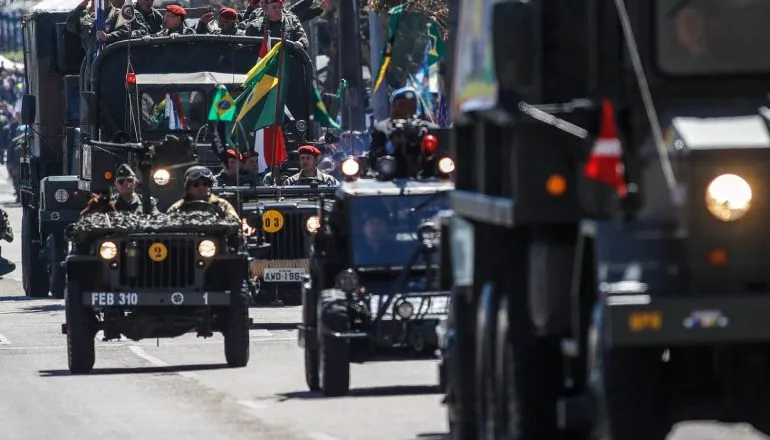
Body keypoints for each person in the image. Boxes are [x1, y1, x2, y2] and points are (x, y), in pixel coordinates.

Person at [369, 86, 440, 162]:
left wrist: (424, 140)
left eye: (411, 105)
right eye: (402, 105)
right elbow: (374, 157)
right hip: (393, 171)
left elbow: (442, 156)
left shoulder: (430, 128)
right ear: (394, 106)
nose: (406, 109)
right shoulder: (382, 128)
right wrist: (393, 143)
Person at [167, 166, 240, 219]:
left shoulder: (222, 205)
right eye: (196, 185)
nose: (201, 187)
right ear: (188, 188)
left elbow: (235, 221)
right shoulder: (177, 208)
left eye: (205, 184)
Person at [243, 0, 309, 52]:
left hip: (287, 63)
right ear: (267, 9)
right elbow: (245, 43)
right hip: (263, 65)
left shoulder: (291, 21)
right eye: (274, 7)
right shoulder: (255, 26)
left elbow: (302, 36)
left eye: (280, 6)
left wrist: (301, 43)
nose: (278, 10)